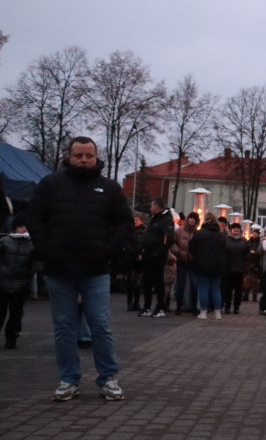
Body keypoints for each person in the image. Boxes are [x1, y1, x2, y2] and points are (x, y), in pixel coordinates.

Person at [27, 136, 133, 401]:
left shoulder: (109, 188)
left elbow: (124, 222)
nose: (84, 160)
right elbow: (34, 217)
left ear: (96, 158)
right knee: (64, 327)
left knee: (99, 325)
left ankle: (108, 378)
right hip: (59, 268)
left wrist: (109, 249)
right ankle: (68, 379)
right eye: (79, 155)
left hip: (96, 269)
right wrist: (44, 247)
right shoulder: (50, 184)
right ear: (69, 156)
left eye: (89, 155)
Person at [0, 216, 34, 349]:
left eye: (25, 226)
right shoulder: (5, 241)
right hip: (7, 283)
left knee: (15, 314)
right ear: (15, 227)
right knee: (5, 313)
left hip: (19, 284)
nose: (23, 228)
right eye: (20, 226)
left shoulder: (5, 241)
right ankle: (11, 340)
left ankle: (11, 339)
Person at [139, 198, 175, 318]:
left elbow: (169, 238)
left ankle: (160, 307)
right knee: (147, 280)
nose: (150, 208)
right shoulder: (154, 219)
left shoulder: (167, 220)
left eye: (152, 206)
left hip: (158, 255)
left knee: (158, 281)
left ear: (157, 207)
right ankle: (147, 306)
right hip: (148, 253)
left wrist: (159, 251)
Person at [190, 213, 227, 320]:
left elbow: (191, 247)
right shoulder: (221, 235)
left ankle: (203, 312)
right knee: (216, 289)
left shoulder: (200, 233)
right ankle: (217, 313)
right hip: (217, 266)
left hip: (202, 265)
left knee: (203, 288)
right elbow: (224, 248)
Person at [171, 212, 200, 314]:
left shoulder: (197, 233)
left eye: (194, 219)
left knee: (194, 285)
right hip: (182, 259)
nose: (192, 220)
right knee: (180, 284)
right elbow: (173, 242)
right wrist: (178, 252)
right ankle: (179, 306)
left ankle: (194, 306)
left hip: (193, 261)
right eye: (190, 218)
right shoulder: (179, 231)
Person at [221, 222, 248, 314]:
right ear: (231, 230)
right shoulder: (226, 240)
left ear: (240, 231)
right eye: (234, 228)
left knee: (238, 290)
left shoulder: (244, 241)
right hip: (228, 269)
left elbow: (247, 253)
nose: (236, 230)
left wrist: (245, 264)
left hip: (239, 269)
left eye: (237, 229)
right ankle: (227, 306)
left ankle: (236, 307)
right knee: (227, 289)